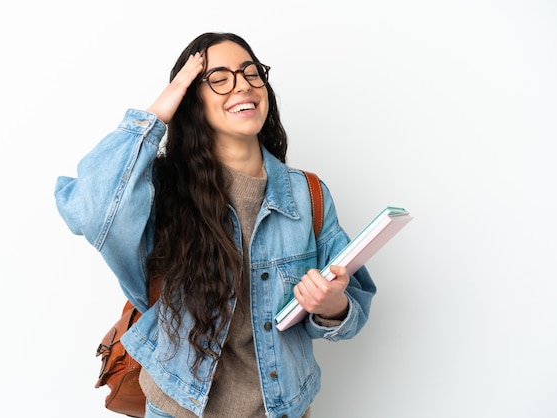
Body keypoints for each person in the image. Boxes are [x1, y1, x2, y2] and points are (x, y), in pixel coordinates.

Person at [55, 32, 376, 418]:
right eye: (219, 78)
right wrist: (158, 113)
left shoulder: (308, 194)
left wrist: (332, 305)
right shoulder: (162, 190)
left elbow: (352, 307)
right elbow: (91, 208)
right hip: (179, 409)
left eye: (251, 72)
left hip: (281, 410)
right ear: (192, 98)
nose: (243, 84)